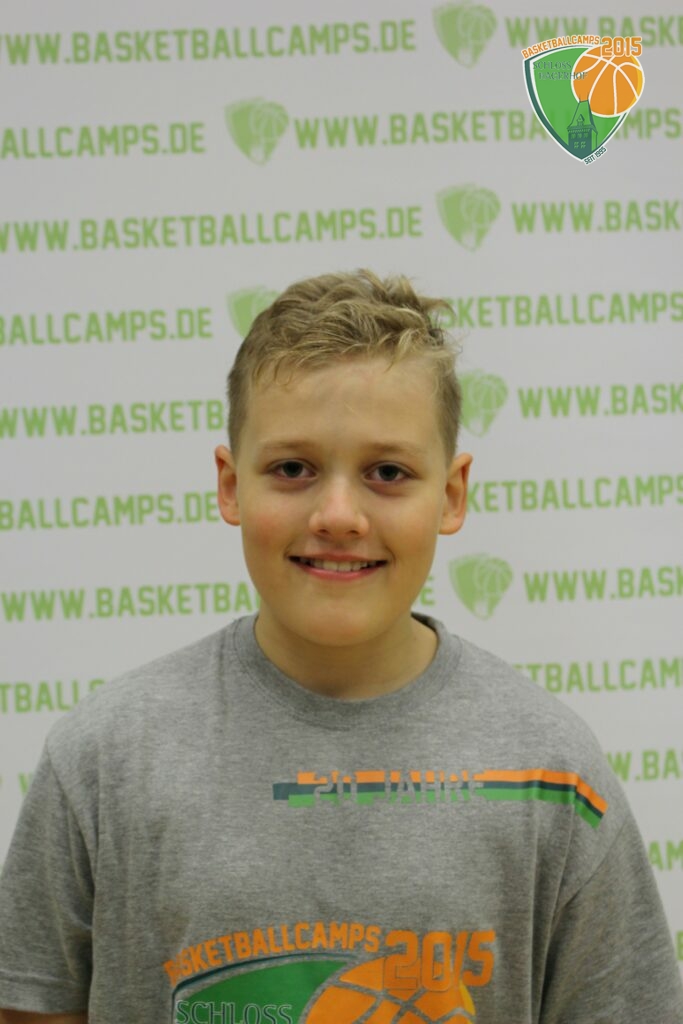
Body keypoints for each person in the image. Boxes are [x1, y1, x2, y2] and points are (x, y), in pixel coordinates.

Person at [0, 270, 681, 1024]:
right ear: (230, 485)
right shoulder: (103, 761)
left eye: (387, 473)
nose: (338, 515)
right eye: (292, 469)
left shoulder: (553, 774)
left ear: (451, 494)